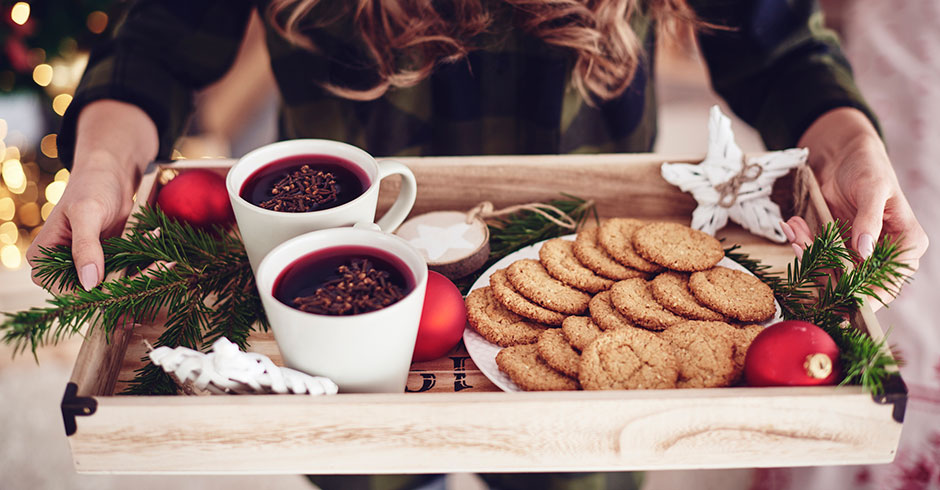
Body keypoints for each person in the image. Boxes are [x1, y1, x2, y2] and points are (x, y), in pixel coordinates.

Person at [26, 1, 928, 489]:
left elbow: (775, 46)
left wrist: (844, 139)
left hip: (578, 257)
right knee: (369, 482)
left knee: (565, 487)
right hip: (338, 298)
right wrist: (105, 155)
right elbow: (160, 43)